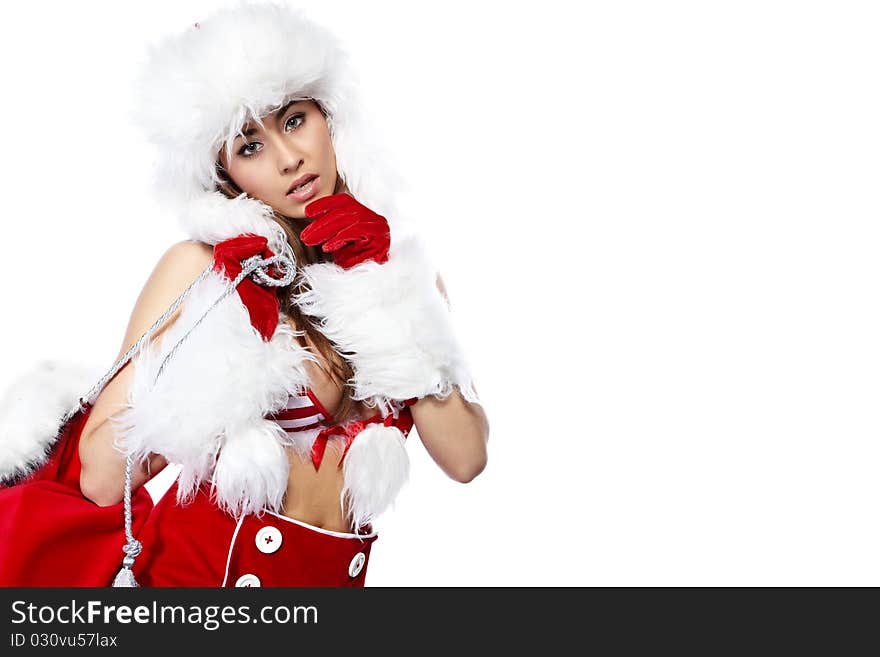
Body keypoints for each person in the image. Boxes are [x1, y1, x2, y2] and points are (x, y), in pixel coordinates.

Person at [0, 2, 488, 587]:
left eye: (294, 119)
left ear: (329, 118)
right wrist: (218, 362)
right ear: (227, 176)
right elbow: (103, 478)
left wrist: (387, 296)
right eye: (249, 146)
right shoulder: (201, 270)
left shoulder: (402, 278)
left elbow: (465, 459)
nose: (289, 159)